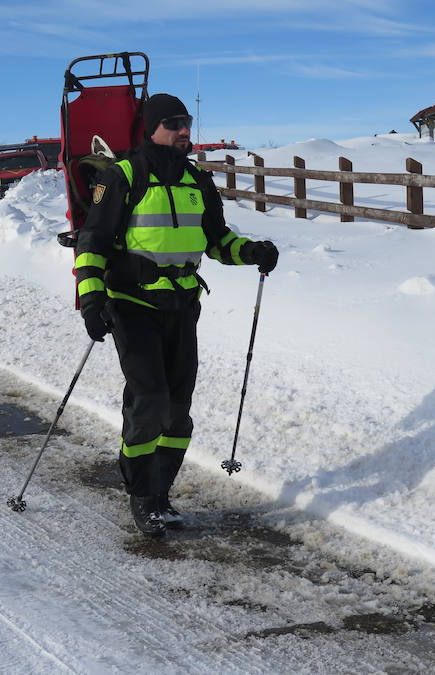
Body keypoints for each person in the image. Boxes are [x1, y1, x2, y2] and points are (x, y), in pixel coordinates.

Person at [74, 93, 279, 537]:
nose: (185, 131)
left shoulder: (196, 181)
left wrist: (253, 252)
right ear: (152, 128)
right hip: (131, 304)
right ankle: (142, 496)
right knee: (148, 402)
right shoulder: (123, 175)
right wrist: (91, 300)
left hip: (183, 306)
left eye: (186, 123)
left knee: (178, 410)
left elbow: (217, 241)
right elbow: (93, 242)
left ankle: (161, 492)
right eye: (174, 124)